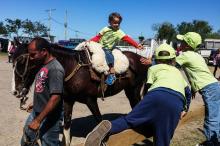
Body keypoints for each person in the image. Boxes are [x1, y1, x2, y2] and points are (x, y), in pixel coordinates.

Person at [84, 43, 191, 146]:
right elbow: (188, 92)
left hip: (154, 95)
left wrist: (148, 105)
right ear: (173, 60)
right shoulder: (177, 72)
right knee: (163, 137)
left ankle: (108, 127)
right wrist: (185, 109)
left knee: (129, 120)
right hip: (176, 101)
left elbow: (148, 88)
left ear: (156, 60)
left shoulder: (153, 68)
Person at [175, 32, 220, 146]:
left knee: (212, 118)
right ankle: (215, 140)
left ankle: (212, 143)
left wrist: (153, 62)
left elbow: (169, 63)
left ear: (187, 45)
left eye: (183, 41)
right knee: (215, 115)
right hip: (214, 86)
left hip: (210, 88)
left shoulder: (186, 55)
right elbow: (197, 73)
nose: (180, 43)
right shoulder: (196, 55)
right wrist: (194, 87)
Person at [21, 37, 65, 146]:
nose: (30, 58)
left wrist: (38, 120)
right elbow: (43, 88)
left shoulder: (55, 69)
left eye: (33, 54)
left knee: (49, 143)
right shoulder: (43, 64)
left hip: (50, 116)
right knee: (26, 140)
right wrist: (36, 103)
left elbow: (56, 97)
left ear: (44, 52)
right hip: (37, 111)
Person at [90, 12, 144, 85]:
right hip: (99, 46)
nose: (117, 24)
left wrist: (137, 45)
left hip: (108, 48)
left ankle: (112, 71)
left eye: (118, 23)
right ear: (109, 22)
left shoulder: (119, 32)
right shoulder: (105, 29)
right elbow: (97, 37)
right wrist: (89, 41)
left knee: (108, 54)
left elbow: (127, 39)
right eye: (115, 23)